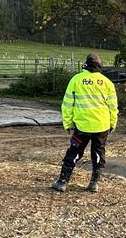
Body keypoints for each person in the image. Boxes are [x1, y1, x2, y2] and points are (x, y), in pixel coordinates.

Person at [51, 53, 118, 193]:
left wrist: (68, 123)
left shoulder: (76, 79)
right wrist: (112, 123)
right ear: (100, 64)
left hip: (81, 126)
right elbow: (113, 107)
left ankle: (62, 181)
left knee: (74, 152)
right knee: (98, 153)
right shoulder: (107, 83)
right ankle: (94, 183)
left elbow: (67, 104)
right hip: (102, 126)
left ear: (86, 64)